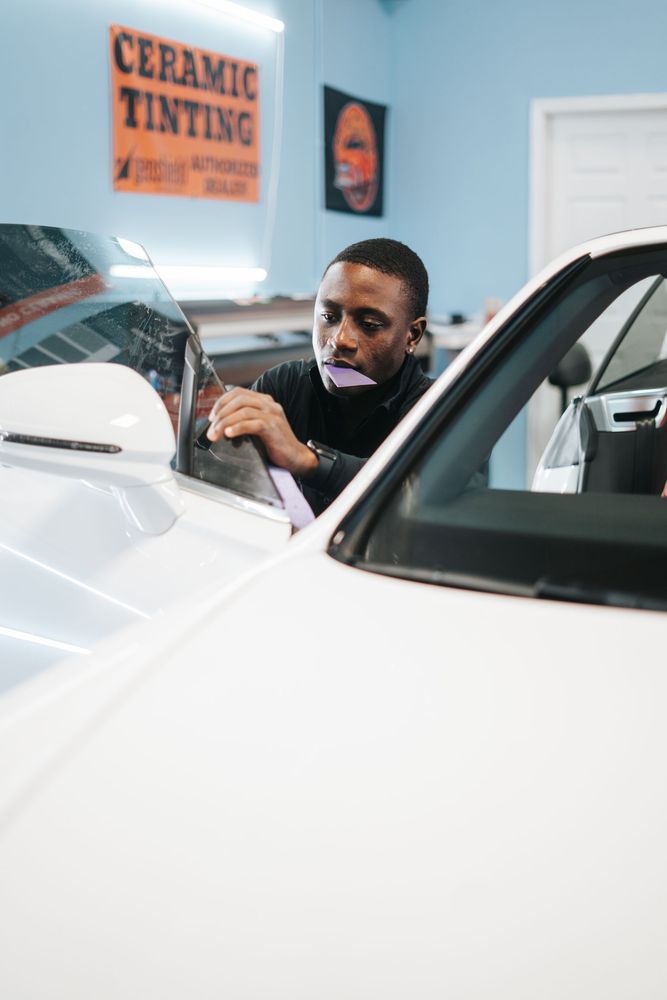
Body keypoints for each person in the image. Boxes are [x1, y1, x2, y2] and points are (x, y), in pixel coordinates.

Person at [207, 237, 433, 515]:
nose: (340, 340)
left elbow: (414, 491)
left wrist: (308, 460)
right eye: (329, 317)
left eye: (369, 325)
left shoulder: (438, 409)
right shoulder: (284, 386)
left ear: (413, 336)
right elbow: (220, 474)